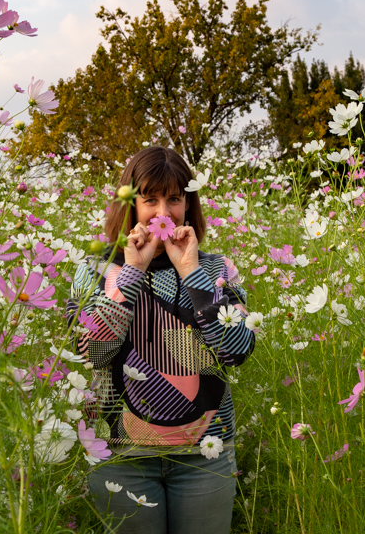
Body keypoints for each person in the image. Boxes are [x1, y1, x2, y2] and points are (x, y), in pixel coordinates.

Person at [66, 146, 255, 533]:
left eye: (174, 199)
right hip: (119, 456)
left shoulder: (219, 268)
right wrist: (131, 272)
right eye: (150, 200)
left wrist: (192, 271)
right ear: (131, 206)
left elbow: (236, 350)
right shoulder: (95, 269)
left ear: (189, 204)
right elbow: (93, 353)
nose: (163, 213)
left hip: (205, 453)